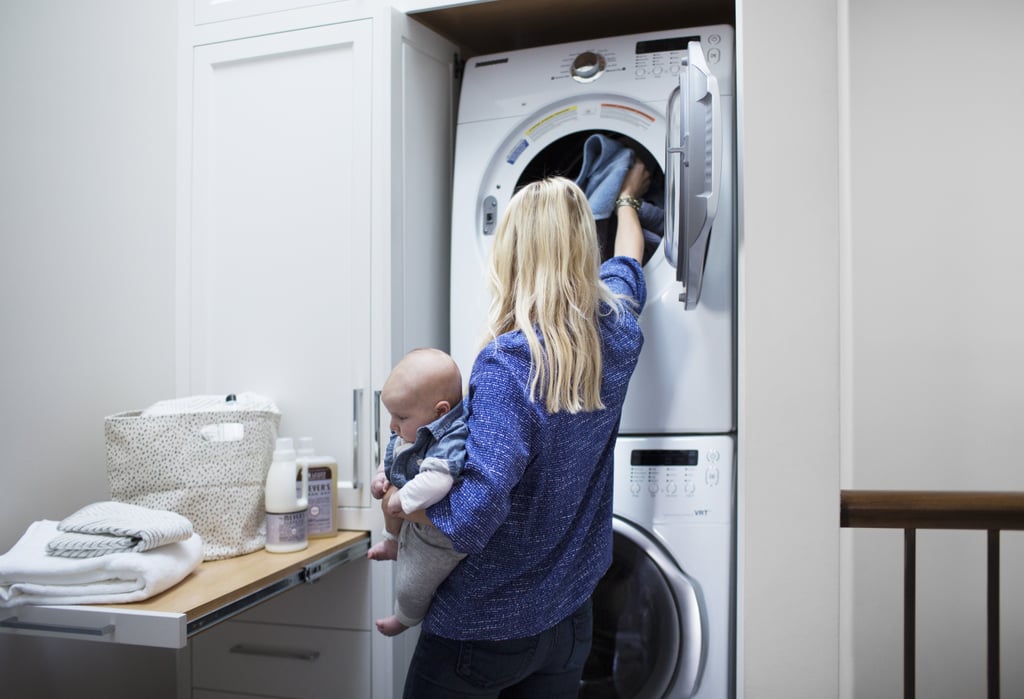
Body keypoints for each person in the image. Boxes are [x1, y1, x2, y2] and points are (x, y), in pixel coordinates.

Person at [392, 158, 650, 697]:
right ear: (584, 249)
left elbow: (476, 511)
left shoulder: (509, 363)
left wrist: (404, 502)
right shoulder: (620, 331)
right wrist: (629, 198)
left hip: (483, 629)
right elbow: (629, 261)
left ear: (510, 255)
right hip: (571, 616)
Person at [367, 347, 468, 636]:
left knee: (411, 585)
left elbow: (438, 479)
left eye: (400, 416)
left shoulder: (453, 436)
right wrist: (381, 477)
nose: (392, 424)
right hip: (410, 518)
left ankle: (405, 616)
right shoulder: (412, 427)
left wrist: (403, 499)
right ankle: (391, 541)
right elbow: (396, 455)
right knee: (390, 498)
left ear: (440, 412)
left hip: (437, 538)